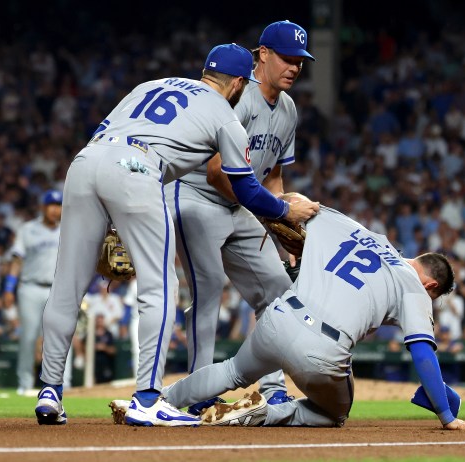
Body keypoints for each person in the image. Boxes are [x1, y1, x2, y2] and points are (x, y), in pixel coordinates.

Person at [34, 43, 319, 427]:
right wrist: (286, 210)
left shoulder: (152, 84)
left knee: (66, 285)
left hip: (86, 163)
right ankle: (148, 399)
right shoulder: (225, 113)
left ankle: (50, 391)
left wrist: (114, 212)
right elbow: (248, 189)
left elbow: (109, 137)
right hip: (138, 170)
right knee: (160, 286)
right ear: (238, 82)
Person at [161, 205, 465, 430]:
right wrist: (445, 415)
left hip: (280, 316)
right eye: (433, 296)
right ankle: (263, 414)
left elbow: (297, 205)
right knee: (334, 414)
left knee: (231, 371)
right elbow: (423, 353)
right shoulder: (415, 288)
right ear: (432, 285)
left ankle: (159, 401)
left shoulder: (361, 231)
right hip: (321, 349)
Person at [164, 20, 315, 408]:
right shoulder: (239, 95)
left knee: (278, 290)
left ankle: (273, 385)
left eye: (300, 61)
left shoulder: (288, 108)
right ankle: (200, 394)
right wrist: (271, 212)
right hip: (197, 195)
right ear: (262, 55)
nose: (294, 67)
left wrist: (281, 226)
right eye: (287, 58)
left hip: (241, 204)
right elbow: (216, 173)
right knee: (209, 288)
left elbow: (274, 172)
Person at [3, 190, 73, 396]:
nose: (55, 209)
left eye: (59, 205)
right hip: (30, 288)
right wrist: (8, 288)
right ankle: (25, 383)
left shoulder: (69, 229)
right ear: (43, 207)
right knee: (29, 336)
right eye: (52, 205)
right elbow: (17, 260)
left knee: (61, 335)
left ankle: (64, 383)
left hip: (58, 289)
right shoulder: (28, 229)